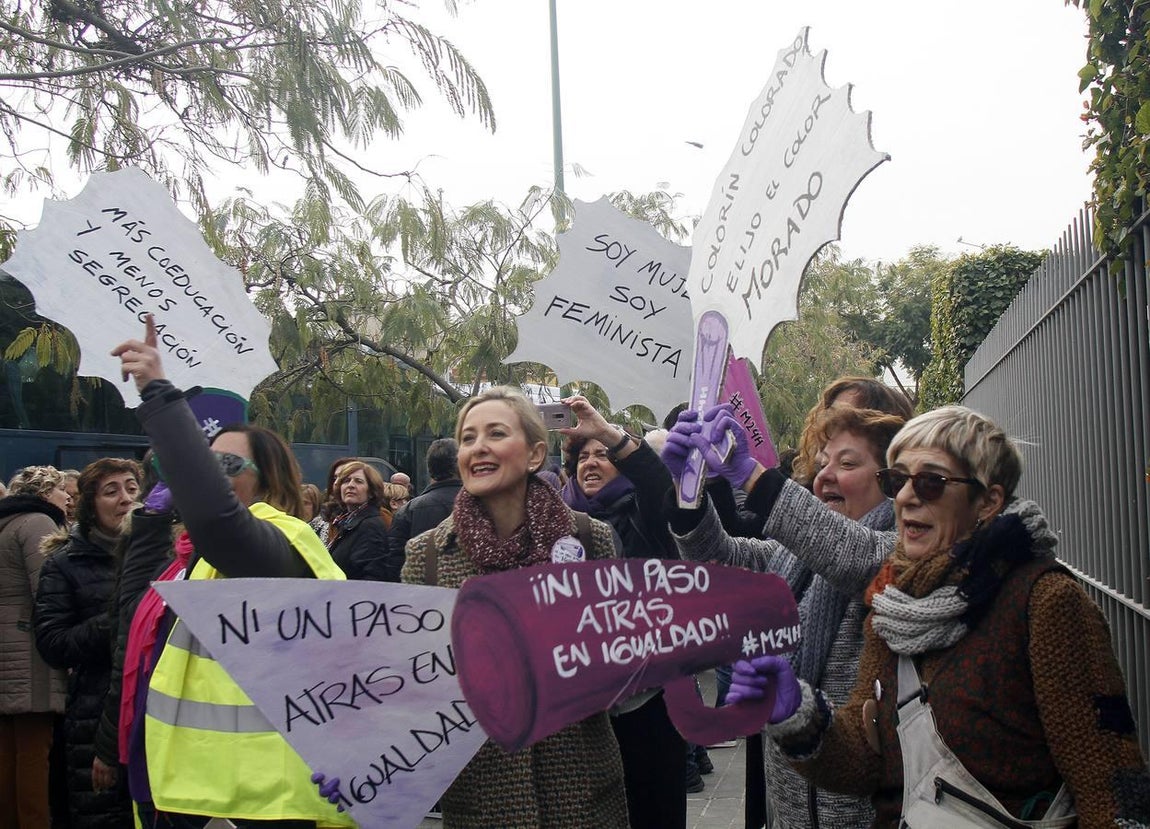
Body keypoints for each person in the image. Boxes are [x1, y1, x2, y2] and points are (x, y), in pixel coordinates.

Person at [729, 406, 1150, 828]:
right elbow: (866, 761)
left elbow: (1109, 785)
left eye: (930, 482)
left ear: (987, 501)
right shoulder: (892, 602)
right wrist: (797, 713)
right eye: (897, 480)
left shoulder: (1045, 602)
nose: (908, 496)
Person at [112, 315, 350, 828]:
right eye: (205, 464)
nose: (208, 477)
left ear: (269, 483)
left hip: (259, 804)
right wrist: (152, 517)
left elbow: (218, 518)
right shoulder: (192, 561)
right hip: (187, 793)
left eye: (226, 467)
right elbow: (130, 620)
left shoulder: (282, 546)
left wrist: (158, 393)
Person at [664, 404, 905, 828]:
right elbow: (719, 564)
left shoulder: (902, 558)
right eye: (822, 462)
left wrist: (751, 476)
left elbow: (854, 557)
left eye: (847, 463)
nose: (825, 475)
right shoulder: (792, 559)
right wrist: (688, 490)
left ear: (891, 483)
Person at [400, 386, 629, 828]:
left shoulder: (588, 539)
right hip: (482, 795)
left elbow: (622, 668)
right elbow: (414, 689)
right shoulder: (426, 555)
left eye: (496, 433)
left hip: (580, 788)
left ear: (534, 454)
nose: (478, 448)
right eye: (468, 438)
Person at [557, 395, 688, 827]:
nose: (591, 463)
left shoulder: (645, 513)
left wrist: (611, 435)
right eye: (583, 456)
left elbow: (661, 487)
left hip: (646, 701)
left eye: (603, 455)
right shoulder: (557, 523)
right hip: (582, 708)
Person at [34, 457, 142, 828]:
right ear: (90, 505)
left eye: (132, 487)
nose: (125, 498)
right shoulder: (65, 563)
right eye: (111, 491)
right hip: (94, 716)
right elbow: (53, 643)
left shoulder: (162, 557)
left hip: (153, 709)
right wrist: (121, 616)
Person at [0, 465, 71, 828]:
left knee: (9, 757)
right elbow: (46, 594)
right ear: (44, 493)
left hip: (6, 654)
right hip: (30, 657)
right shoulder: (38, 524)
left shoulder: (6, 524)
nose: (68, 497)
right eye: (61, 490)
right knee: (34, 756)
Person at [387, 438, 462, 570]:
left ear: (429, 468)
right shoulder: (485, 505)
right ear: (461, 466)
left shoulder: (407, 512)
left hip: (420, 587)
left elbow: (395, 564)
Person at [325, 460, 396, 581]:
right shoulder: (344, 522)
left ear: (371, 491)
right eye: (346, 481)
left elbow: (373, 575)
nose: (350, 485)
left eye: (359, 481)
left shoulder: (370, 525)